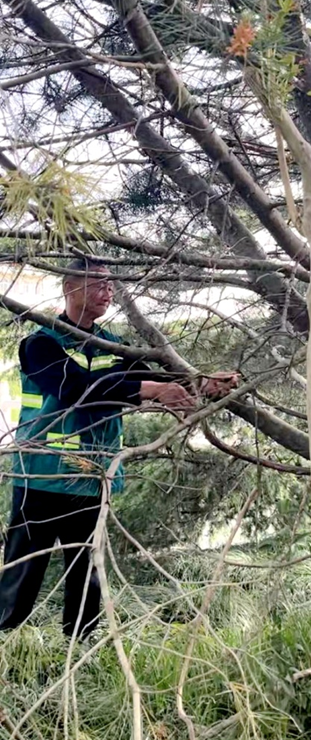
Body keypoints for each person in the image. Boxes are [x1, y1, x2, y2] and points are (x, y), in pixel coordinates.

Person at [0, 258, 239, 639]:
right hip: (42, 478)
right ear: (69, 288)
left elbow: (148, 378)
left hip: (94, 479)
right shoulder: (40, 343)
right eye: (97, 283)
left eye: (111, 285)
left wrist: (200, 383)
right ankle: (7, 640)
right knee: (23, 572)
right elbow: (75, 389)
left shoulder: (115, 345)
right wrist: (149, 390)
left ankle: (79, 648)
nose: (107, 291)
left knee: (88, 573)